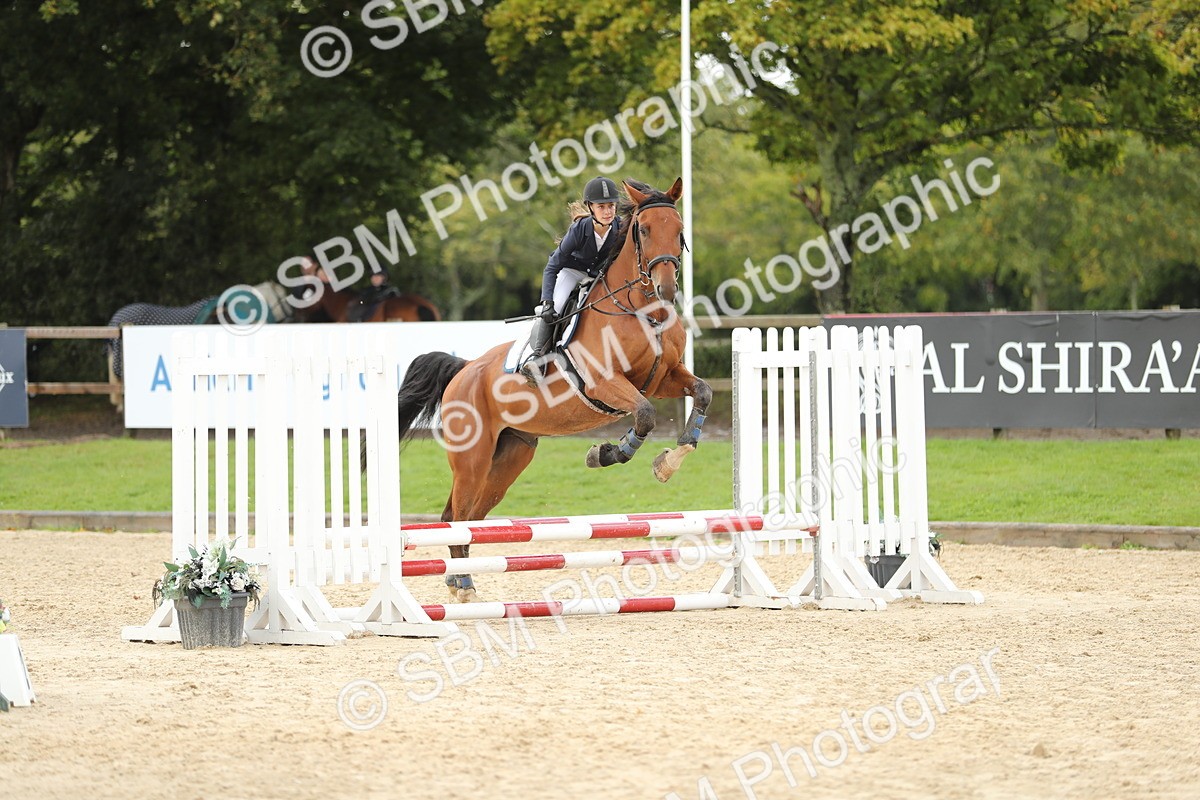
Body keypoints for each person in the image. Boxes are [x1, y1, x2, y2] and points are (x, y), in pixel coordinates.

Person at [520, 176, 624, 383]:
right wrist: (547, 301)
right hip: (572, 271)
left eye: (611, 205)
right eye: (602, 206)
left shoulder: (620, 227)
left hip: (598, 275)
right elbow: (552, 265)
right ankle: (536, 357)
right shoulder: (579, 229)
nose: (608, 211)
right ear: (591, 208)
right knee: (555, 308)